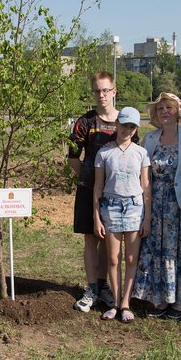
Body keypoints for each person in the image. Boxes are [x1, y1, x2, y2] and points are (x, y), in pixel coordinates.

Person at [132, 92, 181, 320]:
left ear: (178, 112)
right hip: (155, 206)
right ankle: (159, 298)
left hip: (180, 207)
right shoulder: (150, 139)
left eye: (169, 107)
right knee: (156, 250)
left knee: (179, 252)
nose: (164, 112)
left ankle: (178, 302)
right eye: (161, 108)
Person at [93, 107, 151, 323]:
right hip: (111, 208)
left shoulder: (141, 153)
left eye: (132, 126)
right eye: (124, 124)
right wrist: (96, 216)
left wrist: (147, 217)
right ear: (117, 124)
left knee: (130, 258)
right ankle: (115, 303)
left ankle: (126, 302)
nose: (127, 129)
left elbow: (146, 186)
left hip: (135, 208)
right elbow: (98, 187)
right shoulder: (104, 153)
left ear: (136, 128)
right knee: (113, 258)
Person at [68, 71, 117, 312]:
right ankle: (91, 288)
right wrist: (88, 178)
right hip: (89, 191)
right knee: (91, 239)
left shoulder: (124, 122)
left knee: (110, 241)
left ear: (113, 91)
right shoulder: (84, 122)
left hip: (117, 194)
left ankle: (104, 286)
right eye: (97, 90)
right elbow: (72, 157)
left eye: (105, 90)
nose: (101, 95)